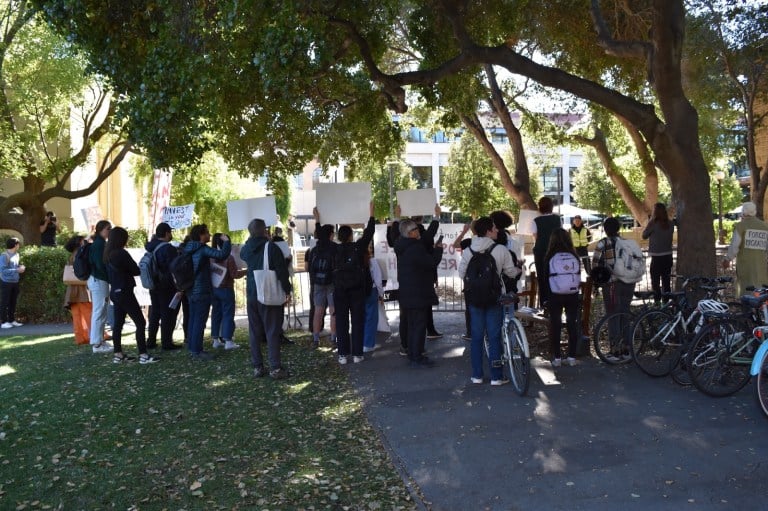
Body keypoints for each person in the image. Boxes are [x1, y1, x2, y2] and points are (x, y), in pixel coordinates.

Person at [459, 217, 519, 385]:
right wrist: (518, 269)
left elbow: (462, 273)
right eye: (494, 228)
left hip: (474, 299)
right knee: (494, 337)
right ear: (487, 231)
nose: (497, 230)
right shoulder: (500, 249)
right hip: (494, 297)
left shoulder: (468, 250)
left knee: (477, 337)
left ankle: (477, 375)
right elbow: (510, 272)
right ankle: (496, 376)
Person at [240, 218, 292, 379]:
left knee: (255, 332)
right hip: (268, 294)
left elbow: (243, 255)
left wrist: (251, 237)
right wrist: (287, 290)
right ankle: (275, 368)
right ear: (265, 230)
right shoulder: (272, 248)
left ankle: (258, 367)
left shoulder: (246, 248)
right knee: (272, 330)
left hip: (251, 294)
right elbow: (282, 272)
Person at [387, 204, 442, 355]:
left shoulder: (399, 243)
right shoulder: (416, 246)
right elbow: (429, 237)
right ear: (410, 233)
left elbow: (395, 235)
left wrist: (397, 217)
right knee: (417, 323)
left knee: (407, 319)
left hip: (405, 288)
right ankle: (416, 354)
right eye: (416, 228)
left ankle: (406, 346)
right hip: (418, 289)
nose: (419, 229)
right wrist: (438, 249)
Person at [105, 227, 158, 364]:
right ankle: (143, 354)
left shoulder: (107, 254)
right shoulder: (121, 253)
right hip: (125, 291)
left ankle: (118, 354)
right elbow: (135, 270)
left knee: (118, 324)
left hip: (115, 291)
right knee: (140, 322)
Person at [331, 202, 376, 364]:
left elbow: (321, 237)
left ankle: (343, 354)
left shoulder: (334, 249)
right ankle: (357, 354)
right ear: (350, 235)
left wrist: (317, 221)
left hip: (340, 290)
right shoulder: (358, 247)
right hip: (357, 290)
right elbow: (369, 233)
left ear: (338, 237)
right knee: (358, 321)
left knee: (342, 322)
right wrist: (371, 214)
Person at [184, 224, 231, 360]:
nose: (210, 235)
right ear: (201, 235)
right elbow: (222, 254)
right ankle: (197, 351)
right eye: (207, 233)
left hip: (190, 289)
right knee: (199, 321)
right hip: (201, 290)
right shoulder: (202, 249)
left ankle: (192, 348)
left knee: (193, 319)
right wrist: (226, 241)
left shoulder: (187, 248)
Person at [591, 217, 635, 362]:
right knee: (625, 313)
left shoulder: (603, 243)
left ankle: (615, 350)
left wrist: (596, 283)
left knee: (612, 316)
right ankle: (627, 348)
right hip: (628, 282)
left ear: (605, 229)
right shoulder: (627, 243)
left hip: (611, 284)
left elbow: (595, 264)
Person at [544, 228, 581, 367]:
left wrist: (545, 297)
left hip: (555, 294)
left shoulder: (550, 256)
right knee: (572, 322)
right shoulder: (574, 255)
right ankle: (571, 356)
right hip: (572, 293)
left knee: (556, 323)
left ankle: (557, 357)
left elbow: (545, 278)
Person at [145, 222, 183, 351]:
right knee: (168, 314)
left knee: (155, 313)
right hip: (167, 285)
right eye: (170, 232)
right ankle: (166, 342)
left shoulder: (150, 246)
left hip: (153, 284)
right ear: (167, 233)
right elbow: (174, 268)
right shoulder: (168, 248)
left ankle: (151, 340)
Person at [723, 201, 768, 297]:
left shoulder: (741, 226)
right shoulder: (765, 226)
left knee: (746, 292)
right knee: (761, 292)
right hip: (761, 266)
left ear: (744, 212)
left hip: (745, 265)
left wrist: (727, 259)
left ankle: (747, 311)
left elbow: (734, 246)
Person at [210, 232, 246, 351]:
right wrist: (246, 271)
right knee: (228, 315)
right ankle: (228, 340)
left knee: (216, 314)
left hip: (214, 289)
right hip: (226, 289)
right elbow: (235, 274)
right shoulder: (228, 258)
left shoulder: (211, 256)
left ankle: (215, 340)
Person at [306, 221, 337, 349]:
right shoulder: (335, 247)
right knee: (333, 311)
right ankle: (333, 338)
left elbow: (309, 268)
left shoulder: (314, 250)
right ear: (330, 235)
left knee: (318, 311)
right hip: (332, 283)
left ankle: (315, 339)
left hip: (318, 283)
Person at [88, 220, 114, 353]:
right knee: (99, 311)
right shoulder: (99, 244)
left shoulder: (100, 243)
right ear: (100, 230)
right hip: (99, 280)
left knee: (101, 311)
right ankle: (97, 344)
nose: (110, 231)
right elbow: (100, 264)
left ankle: (99, 341)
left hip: (99, 280)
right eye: (108, 229)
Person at [532, 197, 561, 308]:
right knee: (555, 276)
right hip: (555, 251)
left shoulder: (536, 221)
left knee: (542, 277)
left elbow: (535, 238)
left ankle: (544, 303)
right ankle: (556, 301)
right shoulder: (557, 219)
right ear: (551, 206)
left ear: (540, 207)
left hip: (541, 252)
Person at [642, 203, 674, 304]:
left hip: (656, 258)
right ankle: (666, 303)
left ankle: (657, 303)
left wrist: (650, 222)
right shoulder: (671, 224)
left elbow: (644, 235)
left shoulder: (653, 224)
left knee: (655, 282)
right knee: (666, 282)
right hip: (668, 256)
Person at [64, 235, 92, 345]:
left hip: (72, 289)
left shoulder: (72, 255)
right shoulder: (80, 254)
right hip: (81, 289)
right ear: (79, 243)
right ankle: (95, 335)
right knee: (88, 313)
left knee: (77, 315)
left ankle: (80, 337)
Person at [363, 243, 384, 353]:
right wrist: (381, 294)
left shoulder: (354, 260)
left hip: (357, 292)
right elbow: (378, 279)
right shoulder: (372, 262)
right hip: (371, 290)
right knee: (371, 318)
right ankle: (368, 344)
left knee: (360, 318)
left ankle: (360, 342)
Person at [0, 237, 25, 328]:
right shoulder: (4, 255)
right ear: (15, 245)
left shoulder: (17, 254)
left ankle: (11, 320)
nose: (19, 246)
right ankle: (3, 322)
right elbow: (3, 270)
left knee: (13, 302)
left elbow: (15, 266)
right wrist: (17, 270)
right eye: (18, 244)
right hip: (6, 282)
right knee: (5, 302)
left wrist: (20, 267)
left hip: (15, 281)